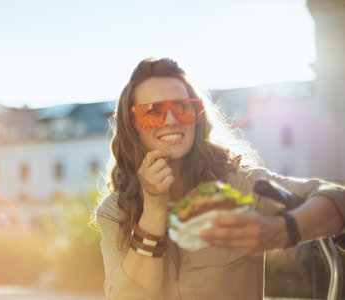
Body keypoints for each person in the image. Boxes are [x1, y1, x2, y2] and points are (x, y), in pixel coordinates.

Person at [96, 57, 345, 300]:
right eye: (152, 111)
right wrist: (153, 208)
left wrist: (278, 231)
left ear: (198, 115)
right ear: (133, 126)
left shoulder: (242, 185)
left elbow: (337, 199)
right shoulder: (113, 212)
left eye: (182, 107)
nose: (171, 121)